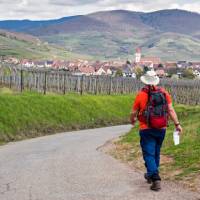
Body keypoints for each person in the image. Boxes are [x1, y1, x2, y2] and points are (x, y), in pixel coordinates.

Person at [130, 70, 182, 191]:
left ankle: (155, 178)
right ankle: (150, 174)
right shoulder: (164, 93)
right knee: (156, 152)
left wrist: (132, 120)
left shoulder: (141, 95)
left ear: (145, 81)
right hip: (161, 128)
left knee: (148, 153)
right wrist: (177, 124)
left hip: (146, 129)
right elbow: (170, 110)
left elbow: (133, 112)